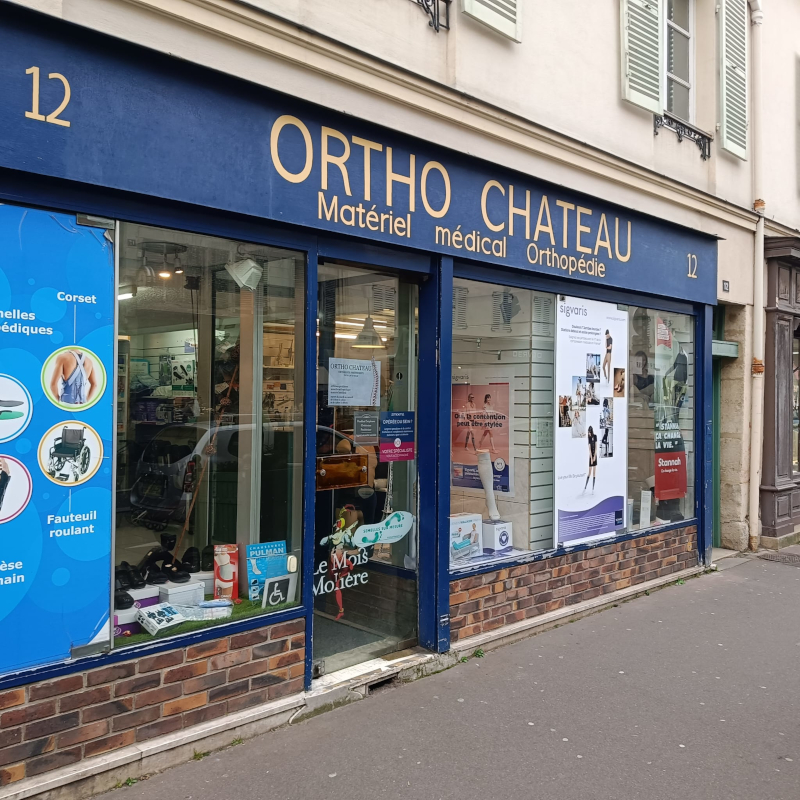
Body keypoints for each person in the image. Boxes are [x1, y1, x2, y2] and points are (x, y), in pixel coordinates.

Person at [584, 425, 597, 493]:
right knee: (589, 472)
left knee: (594, 473)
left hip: (595, 455)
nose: (588, 433)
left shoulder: (595, 436)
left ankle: (593, 489)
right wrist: (591, 458)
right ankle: (585, 487)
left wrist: (595, 456)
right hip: (591, 456)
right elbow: (589, 449)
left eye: (589, 432)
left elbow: (596, 447)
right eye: (588, 432)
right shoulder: (589, 438)